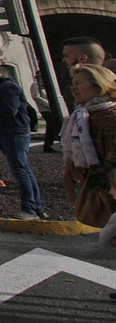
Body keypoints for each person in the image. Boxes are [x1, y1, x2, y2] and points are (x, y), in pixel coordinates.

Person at [0, 64, 45, 220]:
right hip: (9, 132)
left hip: (14, 132)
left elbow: (9, 111)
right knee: (23, 170)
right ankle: (36, 207)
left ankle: (30, 209)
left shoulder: (7, 87)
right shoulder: (2, 87)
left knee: (20, 170)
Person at [62, 64, 116, 229]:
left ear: (99, 86)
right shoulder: (82, 115)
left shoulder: (112, 116)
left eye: (79, 83)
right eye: (73, 83)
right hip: (98, 178)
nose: (73, 87)